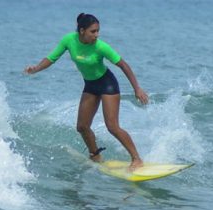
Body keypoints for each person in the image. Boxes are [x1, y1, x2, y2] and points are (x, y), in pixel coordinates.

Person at [24, 13, 149, 171]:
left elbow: (123, 65)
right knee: (82, 126)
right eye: (93, 31)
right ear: (82, 31)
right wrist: (35, 69)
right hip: (90, 85)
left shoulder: (100, 46)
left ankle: (137, 159)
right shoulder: (69, 40)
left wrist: (137, 88)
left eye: (98, 31)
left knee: (112, 126)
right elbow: (51, 58)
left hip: (107, 85)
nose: (97, 35)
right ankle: (95, 155)